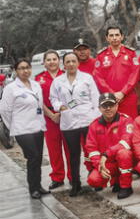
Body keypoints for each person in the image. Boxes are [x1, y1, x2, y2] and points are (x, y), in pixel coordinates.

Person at [50, 52, 100, 196]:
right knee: (73, 154)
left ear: (78, 63)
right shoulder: (58, 81)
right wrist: (60, 106)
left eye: (73, 61)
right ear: (63, 65)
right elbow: (53, 98)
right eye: (68, 62)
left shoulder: (87, 78)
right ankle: (76, 184)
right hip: (69, 122)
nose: (71, 64)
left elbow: (96, 98)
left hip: (87, 120)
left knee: (91, 152)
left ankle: (96, 180)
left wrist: (95, 118)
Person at [0, 59, 48, 199]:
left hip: (37, 126)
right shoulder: (11, 88)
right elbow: (4, 110)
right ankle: (33, 189)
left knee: (38, 158)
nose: (25, 71)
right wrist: (12, 126)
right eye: (21, 68)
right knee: (32, 156)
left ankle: (38, 185)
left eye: (27, 67)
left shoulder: (36, 85)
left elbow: (40, 105)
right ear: (16, 71)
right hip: (22, 129)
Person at [85, 93, 135, 199]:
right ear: (99, 108)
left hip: (125, 160)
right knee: (93, 180)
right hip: (107, 164)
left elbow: (126, 142)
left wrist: (107, 154)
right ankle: (116, 181)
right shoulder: (94, 125)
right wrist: (100, 166)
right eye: (104, 106)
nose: (108, 108)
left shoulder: (126, 120)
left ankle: (126, 187)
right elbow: (91, 149)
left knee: (124, 153)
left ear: (117, 106)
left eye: (111, 105)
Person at [34, 50, 70, 190]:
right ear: (44, 63)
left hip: (67, 115)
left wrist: (61, 112)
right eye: (48, 60)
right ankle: (57, 177)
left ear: (59, 61)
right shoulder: (38, 79)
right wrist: (51, 115)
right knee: (54, 149)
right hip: (48, 117)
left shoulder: (67, 76)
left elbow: (75, 98)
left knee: (70, 148)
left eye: (54, 59)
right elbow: (37, 100)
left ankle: (73, 177)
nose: (51, 62)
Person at [93, 26, 140, 118]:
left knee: (130, 124)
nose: (114, 38)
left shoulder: (130, 53)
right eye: (111, 35)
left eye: (117, 35)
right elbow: (98, 77)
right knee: (112, 126)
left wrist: (123, 92)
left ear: (122, 37)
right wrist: (112, 94)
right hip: (109, 98)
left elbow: (135, 74)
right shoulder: (101, 55)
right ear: (107, 38)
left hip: (128, 97)